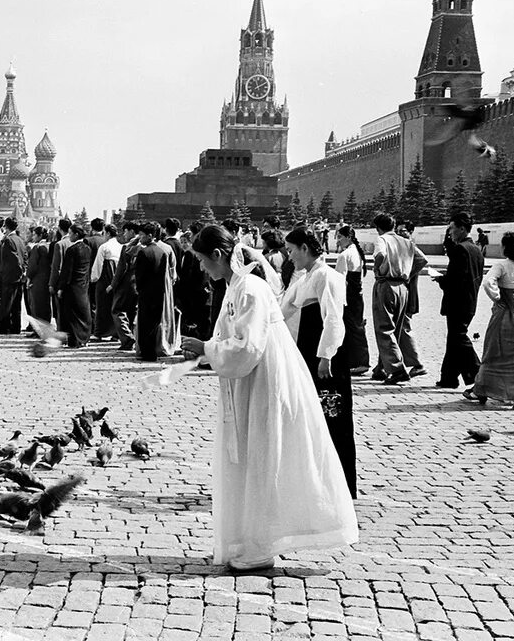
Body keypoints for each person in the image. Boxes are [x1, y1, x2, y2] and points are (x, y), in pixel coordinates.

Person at [179, 224, 358, 572]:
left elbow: (248, 347)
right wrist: (213, 348)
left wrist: (207, 348)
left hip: (264, 382)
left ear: (217, 256)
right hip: (251, 383)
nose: (202, 269)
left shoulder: (251, 288)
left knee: (263, 455)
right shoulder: (237, 286)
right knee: (250, 457)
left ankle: (259, 545)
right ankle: (247, 539)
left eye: (202, 261)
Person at [281, 227, 357, 497]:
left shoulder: (327, 275)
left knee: (332, 415)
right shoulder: (306, 277)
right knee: (314, 415)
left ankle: (340, 484)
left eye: (291, 250)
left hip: (326, 355)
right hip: (309, 350)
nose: (290, 257)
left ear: (304, 248)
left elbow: (333, 318)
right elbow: (284, 309)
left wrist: (326, 356)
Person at [465, 232, 514, 409]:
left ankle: (482, 389)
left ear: (505, 247)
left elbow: (488, 283)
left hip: (505, 314)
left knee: (494, 351)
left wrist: (498, 298)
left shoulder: (501, 265)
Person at [370, 213, 422, 385]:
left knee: (384, 328)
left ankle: (397, 369)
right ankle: (382, 368)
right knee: (397, 328)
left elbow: (380, 255)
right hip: (403, 287)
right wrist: (407, 273)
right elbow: (422, 260)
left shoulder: (382, 239)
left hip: (386, 284)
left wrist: (377, 270)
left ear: (378, 228)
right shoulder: (406, 242)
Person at [433, 213, 484, 389]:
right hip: (470, 301)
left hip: (458, 302)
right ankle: (449, 377)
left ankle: (480, 376)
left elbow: (455, 280)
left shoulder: (460, 249)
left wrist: (441, 280)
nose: (450, 233)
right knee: (453, 339)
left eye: (452, 228)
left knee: (459, 338)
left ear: (462, 228)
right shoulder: (475, 249)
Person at [134, 221, 179, 361]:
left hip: (146, 293)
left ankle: (145, 352)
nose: (140, 238)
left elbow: (139, 275)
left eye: (141, 235)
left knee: (144, 323)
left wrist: (139, 289)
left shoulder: (143, 252)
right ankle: (153, 351)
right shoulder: (163, 251)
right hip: (160, 293)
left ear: (149, 236)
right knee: (154, 323)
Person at [333, 225, 370, 375]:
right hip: (357, 295)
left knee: (351, 329)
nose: (337, 240)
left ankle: (358, 361)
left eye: (340, 237)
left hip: (348, 295)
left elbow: (339, 279)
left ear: (348, 237)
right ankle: (359, 360)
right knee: (357, 327)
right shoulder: (357, 252)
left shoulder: (345, 255)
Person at [57, 223, 93, 347]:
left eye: (71, 233)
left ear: (76, 234)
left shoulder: (72, 250)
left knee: (72, 315)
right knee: (83, 313)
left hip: (71, 286)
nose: (69, 236)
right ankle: (84, 339)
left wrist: (61, 287)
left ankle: (74, 340)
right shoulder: (87, 249)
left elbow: (67, 271)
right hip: (83, 285)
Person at [109, 222, 140, 351]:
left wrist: (112, 285)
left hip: (127, 283)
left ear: (132, 232)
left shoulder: (128, 247)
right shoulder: (145, 246)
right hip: (139, 283)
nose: (124, 234)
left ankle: (127, 338)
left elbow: (121, 269)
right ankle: (131, 337)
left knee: (117, 310)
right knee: (132, 311)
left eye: (126, 231)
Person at [0, 217, 28, 334]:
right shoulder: (20, 240)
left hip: (10, 276)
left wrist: (18, 270)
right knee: (16, 304)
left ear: (6, 226)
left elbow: (14, 259)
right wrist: (24, 272)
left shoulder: (8, 240)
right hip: (19, 277)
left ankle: (4, 327)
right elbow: (24, 257)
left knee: (6, 303)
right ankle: (16, 326)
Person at [90, 223, 121, 340]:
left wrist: (94, 278)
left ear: (107, 233)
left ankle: (99, 332)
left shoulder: (104, 247)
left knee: (102, 306)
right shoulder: (121, 247)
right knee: (114, 305)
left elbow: (98, 264)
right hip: (116, 279)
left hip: (105, 277)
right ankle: (116, 333)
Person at [49, 218, 73, 330]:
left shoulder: (59, 244)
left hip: (60, 282)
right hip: (73, 281)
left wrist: (52, 284)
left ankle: (61, 331)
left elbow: (56, 267)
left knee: (59, 309)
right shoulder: (76, 242)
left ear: (59, 228)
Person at [26, 226, 53, 325]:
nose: (33, 237)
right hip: (47, 279)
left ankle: (39, 329)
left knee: (36, 305)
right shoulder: (49, 246)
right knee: (46, 304)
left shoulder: (37, 248)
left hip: (37, 279)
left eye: (34, 235)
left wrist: (28, 278)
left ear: (40, 235)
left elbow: (32, 266)